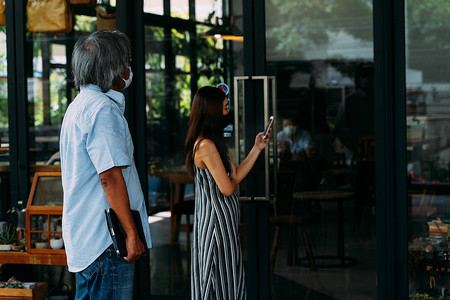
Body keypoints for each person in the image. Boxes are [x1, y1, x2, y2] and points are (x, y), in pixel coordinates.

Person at [59, 30, 152, 299]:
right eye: (125, 61)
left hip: (87, 240)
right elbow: (109, 176)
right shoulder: (102, 110)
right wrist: (131, 233)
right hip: (107, 241)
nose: (128, 68)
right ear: (113, 68)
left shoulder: (79, 106)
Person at [185, 86, 271, 300]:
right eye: (224, 108)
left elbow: (236, 174)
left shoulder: (212, 143)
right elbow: (228, 187)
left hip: (222, 226)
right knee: (222, 284)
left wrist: (257, 148)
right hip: (216, 228)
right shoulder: (206, 146)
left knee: (227, 281)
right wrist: (231, 181)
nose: (228, 112)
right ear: (212, 110)